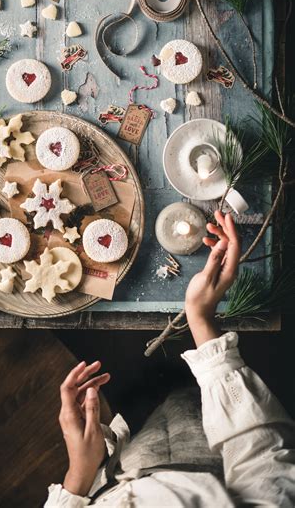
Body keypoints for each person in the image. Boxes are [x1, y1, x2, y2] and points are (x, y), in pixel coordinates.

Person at [45, 211, 295, 506]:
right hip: (204, 469)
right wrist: (201, 320)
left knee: (162, 414)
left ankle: (161, 394)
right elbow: (266, 467)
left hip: (121, 474)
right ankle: (175, 392)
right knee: (184, 407)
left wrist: (79, 474)